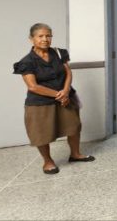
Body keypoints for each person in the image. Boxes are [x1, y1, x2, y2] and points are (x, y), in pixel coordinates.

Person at [13, 23, 95, 174]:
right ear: (31, 39)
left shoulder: (59, 53)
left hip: (66, 97)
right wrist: (59, 95)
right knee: (41, 133)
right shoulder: (26, 62)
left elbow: (68, 73)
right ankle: (48, 161)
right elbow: (33, 86)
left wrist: (66, 91)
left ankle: (75, 154)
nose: (45, 39)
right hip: (40, 103)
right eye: (40, 36)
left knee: (74, 127)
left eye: (48, 36)